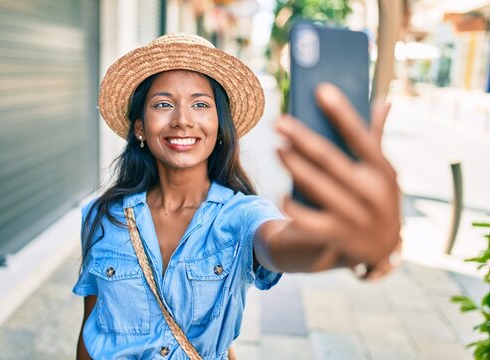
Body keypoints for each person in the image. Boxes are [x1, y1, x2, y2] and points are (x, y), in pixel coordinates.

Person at [73, 33, 401, 359]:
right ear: (141, 127)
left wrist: (350, 244)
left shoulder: (243, 215)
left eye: (201, 104)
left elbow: (281, 243)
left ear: (219, 125)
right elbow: (92, 330)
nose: (183, 120)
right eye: (163, 104)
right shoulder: (101, 215)